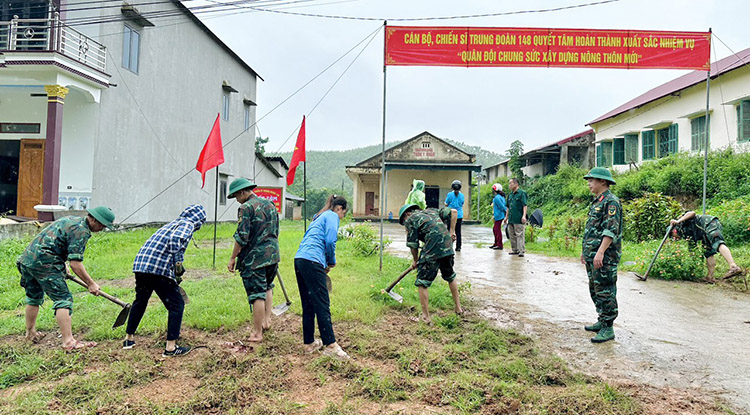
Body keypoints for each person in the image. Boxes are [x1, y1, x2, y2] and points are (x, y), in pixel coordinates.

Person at [16, 206, 114, 350]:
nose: (102, 229)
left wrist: (61, 263)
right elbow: (75, 264)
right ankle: (68, 342)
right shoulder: (82, 231)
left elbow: (54, 242)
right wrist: (91, 283)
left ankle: (30, 334)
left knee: (34, 297)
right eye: (101, 225)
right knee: (63, 299)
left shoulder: (70, 219)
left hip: (28, 260)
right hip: (45, 264)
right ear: (93, 219)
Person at [124, 204, 206, 356]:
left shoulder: (172, 224)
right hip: (157, 268)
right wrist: (178, 265)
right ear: (199, 220)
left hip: (141, 265)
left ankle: (129, 339)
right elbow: (175, 241)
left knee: (141, 300)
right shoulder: (187, 224)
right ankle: (171, 348)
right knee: (177, 304)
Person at [294, 195, 349, 360]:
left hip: (300, 260)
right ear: (339, 208)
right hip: (312, 260)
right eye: (343, 214)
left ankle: (309, 343)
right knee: (322, 302)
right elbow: (330, 240)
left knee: (308, 303)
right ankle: (331, 344)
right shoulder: (331, 216)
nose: (341, 217)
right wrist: (331, 261)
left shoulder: (318, 217)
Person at [227, 178, 280, 343]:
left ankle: (257, 333)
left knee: (257, 294)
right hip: (272, 254)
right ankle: (266, 321)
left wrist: (232, 257)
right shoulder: (270, 204)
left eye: (236, 195)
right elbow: (276, 230)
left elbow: (242, 237)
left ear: (242, 192)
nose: (236, 199)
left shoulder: (246, 208)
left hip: (255, 259)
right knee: (267, 286)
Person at [398, 203, 463, 324]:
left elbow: (413, 245)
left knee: (422, 281)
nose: (405, 226)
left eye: (404, 222)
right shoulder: (432, 211)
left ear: (407, 214)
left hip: (432, 248)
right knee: (450, 276)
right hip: (447, 246)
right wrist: (452, 232)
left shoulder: (411, 219)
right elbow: (454, 212)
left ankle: (425, 317)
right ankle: (458, 308)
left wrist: (415, 260)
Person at [580, 167, 622, 343]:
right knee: (595, 289)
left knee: (605, 290)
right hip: (593, 254)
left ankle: (608, 327)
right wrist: (586, 252)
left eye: (592, 180)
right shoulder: (598, 201)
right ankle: (601, 319)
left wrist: (600, 252)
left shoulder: (611, 202)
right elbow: (591, 230)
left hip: (604, 256)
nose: (589, 184)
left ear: (602, 182)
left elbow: (610, 230)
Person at [670, 211, 743, 283]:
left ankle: (733, 266)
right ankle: (710, 277)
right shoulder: (685, 234)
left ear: (674, 231)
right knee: (708, 252)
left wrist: (678, 221)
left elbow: (692, 213)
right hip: (704, 233)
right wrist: (691, 268)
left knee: (718, 243)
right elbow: (692, 248)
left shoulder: (682, 222)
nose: (675, 239)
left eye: (673, 236)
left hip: (709, 224)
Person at [503, 178, 527, 257]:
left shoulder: (521, 193)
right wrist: (506, 217)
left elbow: (524, 205)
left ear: (516, 184)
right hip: (511, 218)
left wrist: (524, 216)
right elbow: (508, 207)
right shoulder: (510, 195)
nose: (509, 185)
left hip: (518, 218)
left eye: (511, 183)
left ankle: (521, 251)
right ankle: (515, 250)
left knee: (519, 234)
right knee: (511, 234)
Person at [444, 180, 465, 251]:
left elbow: (446, 203)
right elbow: (462, 204)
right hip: (459, 215)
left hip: (451, 214)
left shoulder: (450, 194)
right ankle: (458, 247)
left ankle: (448, 246)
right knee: (458, 231)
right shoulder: (462, 195)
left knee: (449, 230)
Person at [490, 183, 507, 250]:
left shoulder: (497, 198)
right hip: (498, 215)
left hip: (499, 216)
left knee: (497, 230)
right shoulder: (500, 197)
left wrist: (506, 213)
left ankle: (499, 244)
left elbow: (502, 207)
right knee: (495, 229)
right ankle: (496, 243)